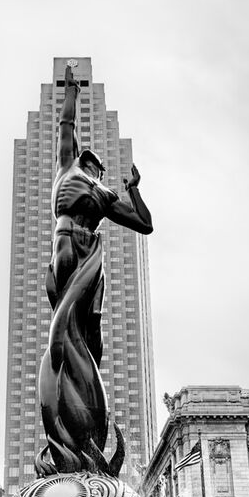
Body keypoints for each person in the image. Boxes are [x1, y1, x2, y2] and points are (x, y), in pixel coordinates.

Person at [37, 63, 154, 475]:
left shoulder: (81, 178)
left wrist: (71, 93)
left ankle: (83, 426)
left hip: (76, 246)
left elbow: (144, 224)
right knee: (70, 328)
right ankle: (75, 432)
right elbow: (145, 223)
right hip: (73, 245)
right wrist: (133, 190)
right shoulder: (81, 178)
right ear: (96, 167)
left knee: (87, 334)